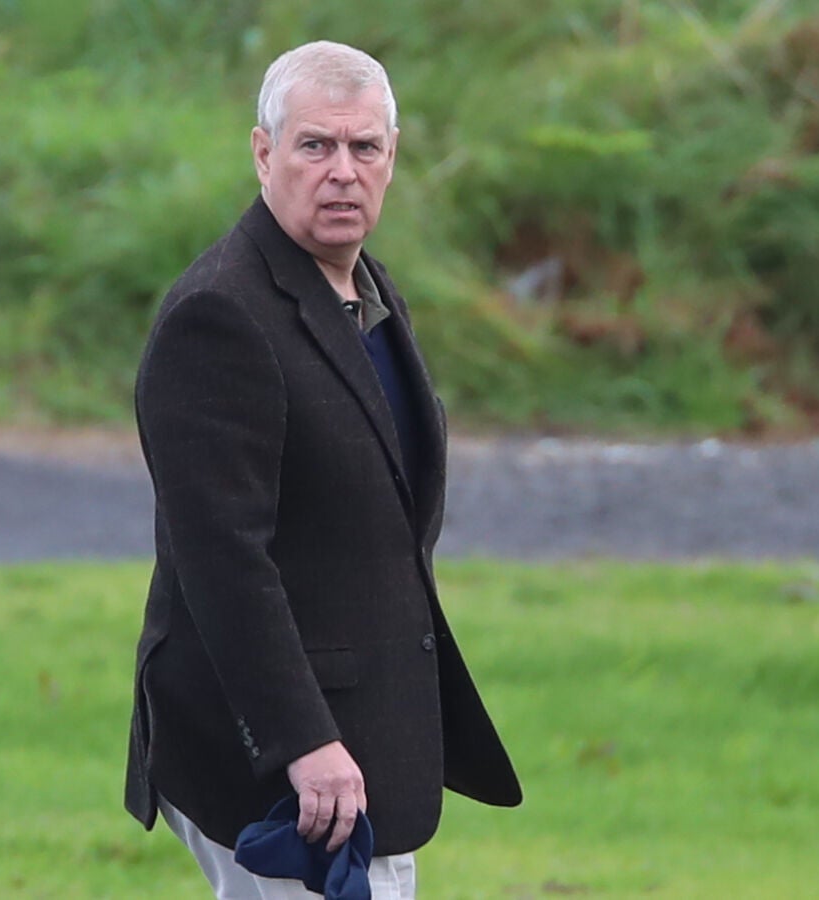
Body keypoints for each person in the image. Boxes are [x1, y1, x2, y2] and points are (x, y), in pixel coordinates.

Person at [123, 40, 521, 898]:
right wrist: (301, 740)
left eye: (363, 146)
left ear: (392, 156)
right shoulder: (219, 316)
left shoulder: (363, 291)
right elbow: (221, 559)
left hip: (364, 734)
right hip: (275, 757)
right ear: (264, 153)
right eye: (315, 145)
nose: (343, 171)